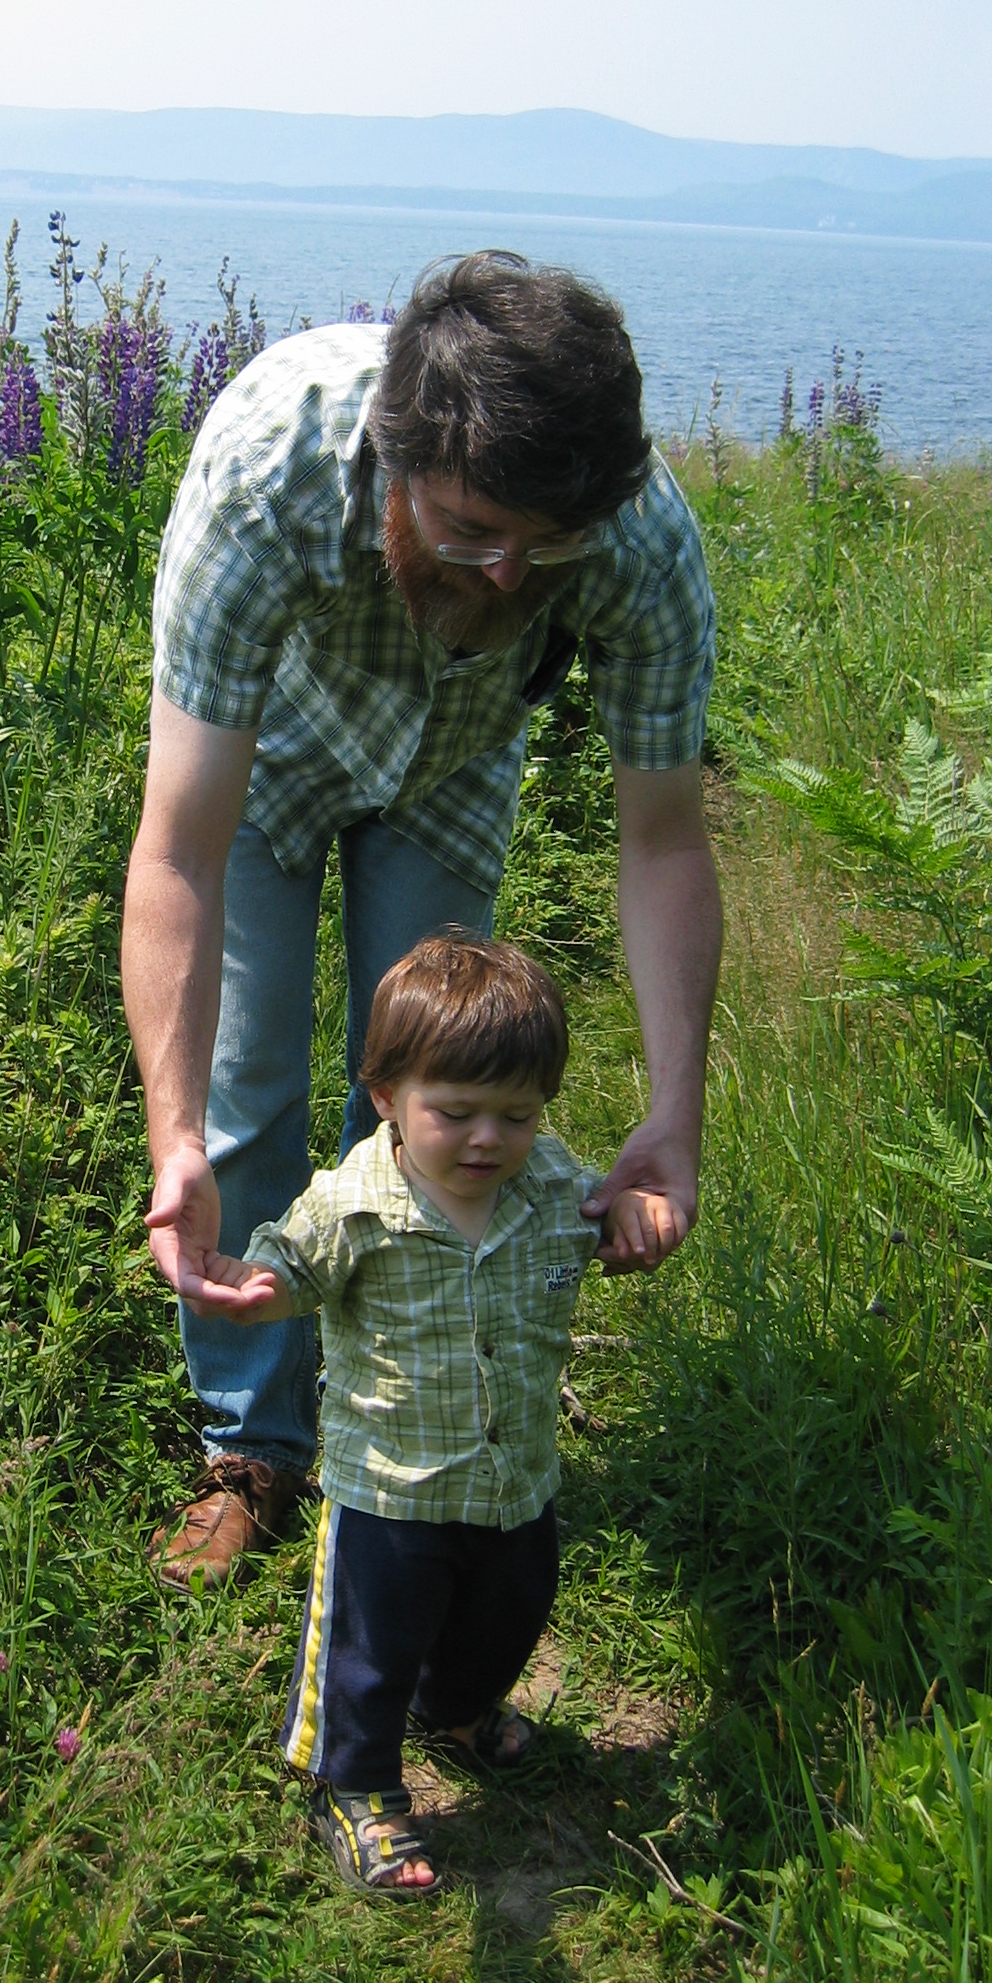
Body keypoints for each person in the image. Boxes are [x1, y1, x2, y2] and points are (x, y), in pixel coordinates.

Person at [120, 250, 721, 1589]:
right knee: (246, 1093)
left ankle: (388, 1415)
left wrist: (676, 1114)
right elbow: (179, 848)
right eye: (467, 530)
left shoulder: (637, 539)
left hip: (453, 767)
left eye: (546, 547)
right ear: (398, 462)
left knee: (418, 1095)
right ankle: (250, 1449)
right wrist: (173, 1136)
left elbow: (666, 840)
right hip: (266, 760)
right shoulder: (270, 470)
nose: (507, 576)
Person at [194, 935, 669, 1896]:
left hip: (513, 1477)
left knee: (511, 1610)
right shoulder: (355, 1205)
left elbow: (605, 1218)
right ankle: (356, 1785)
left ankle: (454, 1708)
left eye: (517, 1115)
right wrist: (253, 1291)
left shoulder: (550, 1188)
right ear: (386, 1097)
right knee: (368, 1648)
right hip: (389, 1489)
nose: (488, 1138)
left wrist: (632, 1218)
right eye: (455, 1114)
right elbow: (289, 1265)